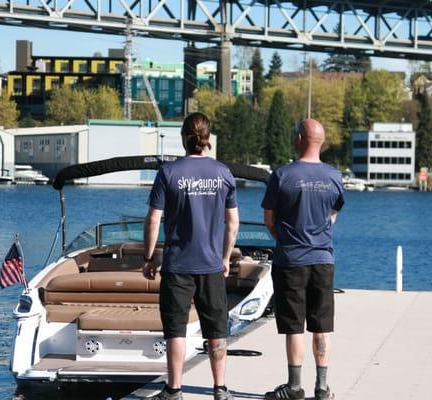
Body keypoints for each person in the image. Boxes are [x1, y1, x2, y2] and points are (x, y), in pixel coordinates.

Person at [143, 112, 239, 400]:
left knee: (176, 330)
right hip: (211, 265)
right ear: (207, 139)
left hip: (177, 266)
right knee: (216, 330)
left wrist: (148, 257)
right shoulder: (223, 173)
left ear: (184, 138)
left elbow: (153, 219)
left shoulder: (169, 173)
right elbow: (233, 223)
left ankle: (174, 390)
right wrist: (224, 258)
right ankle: (220, 389)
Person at [261, 119, 344, 400]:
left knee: (294, 325)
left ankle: (294, 387)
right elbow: (335, 212)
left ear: (299, 138)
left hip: (290, 259)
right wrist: (322, 229)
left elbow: (269, 220)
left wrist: (285, 237)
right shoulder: (334, 176)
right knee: (322, 324)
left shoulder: (282, 175)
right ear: (321, 142)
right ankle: (322, 387)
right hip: (323, 259)